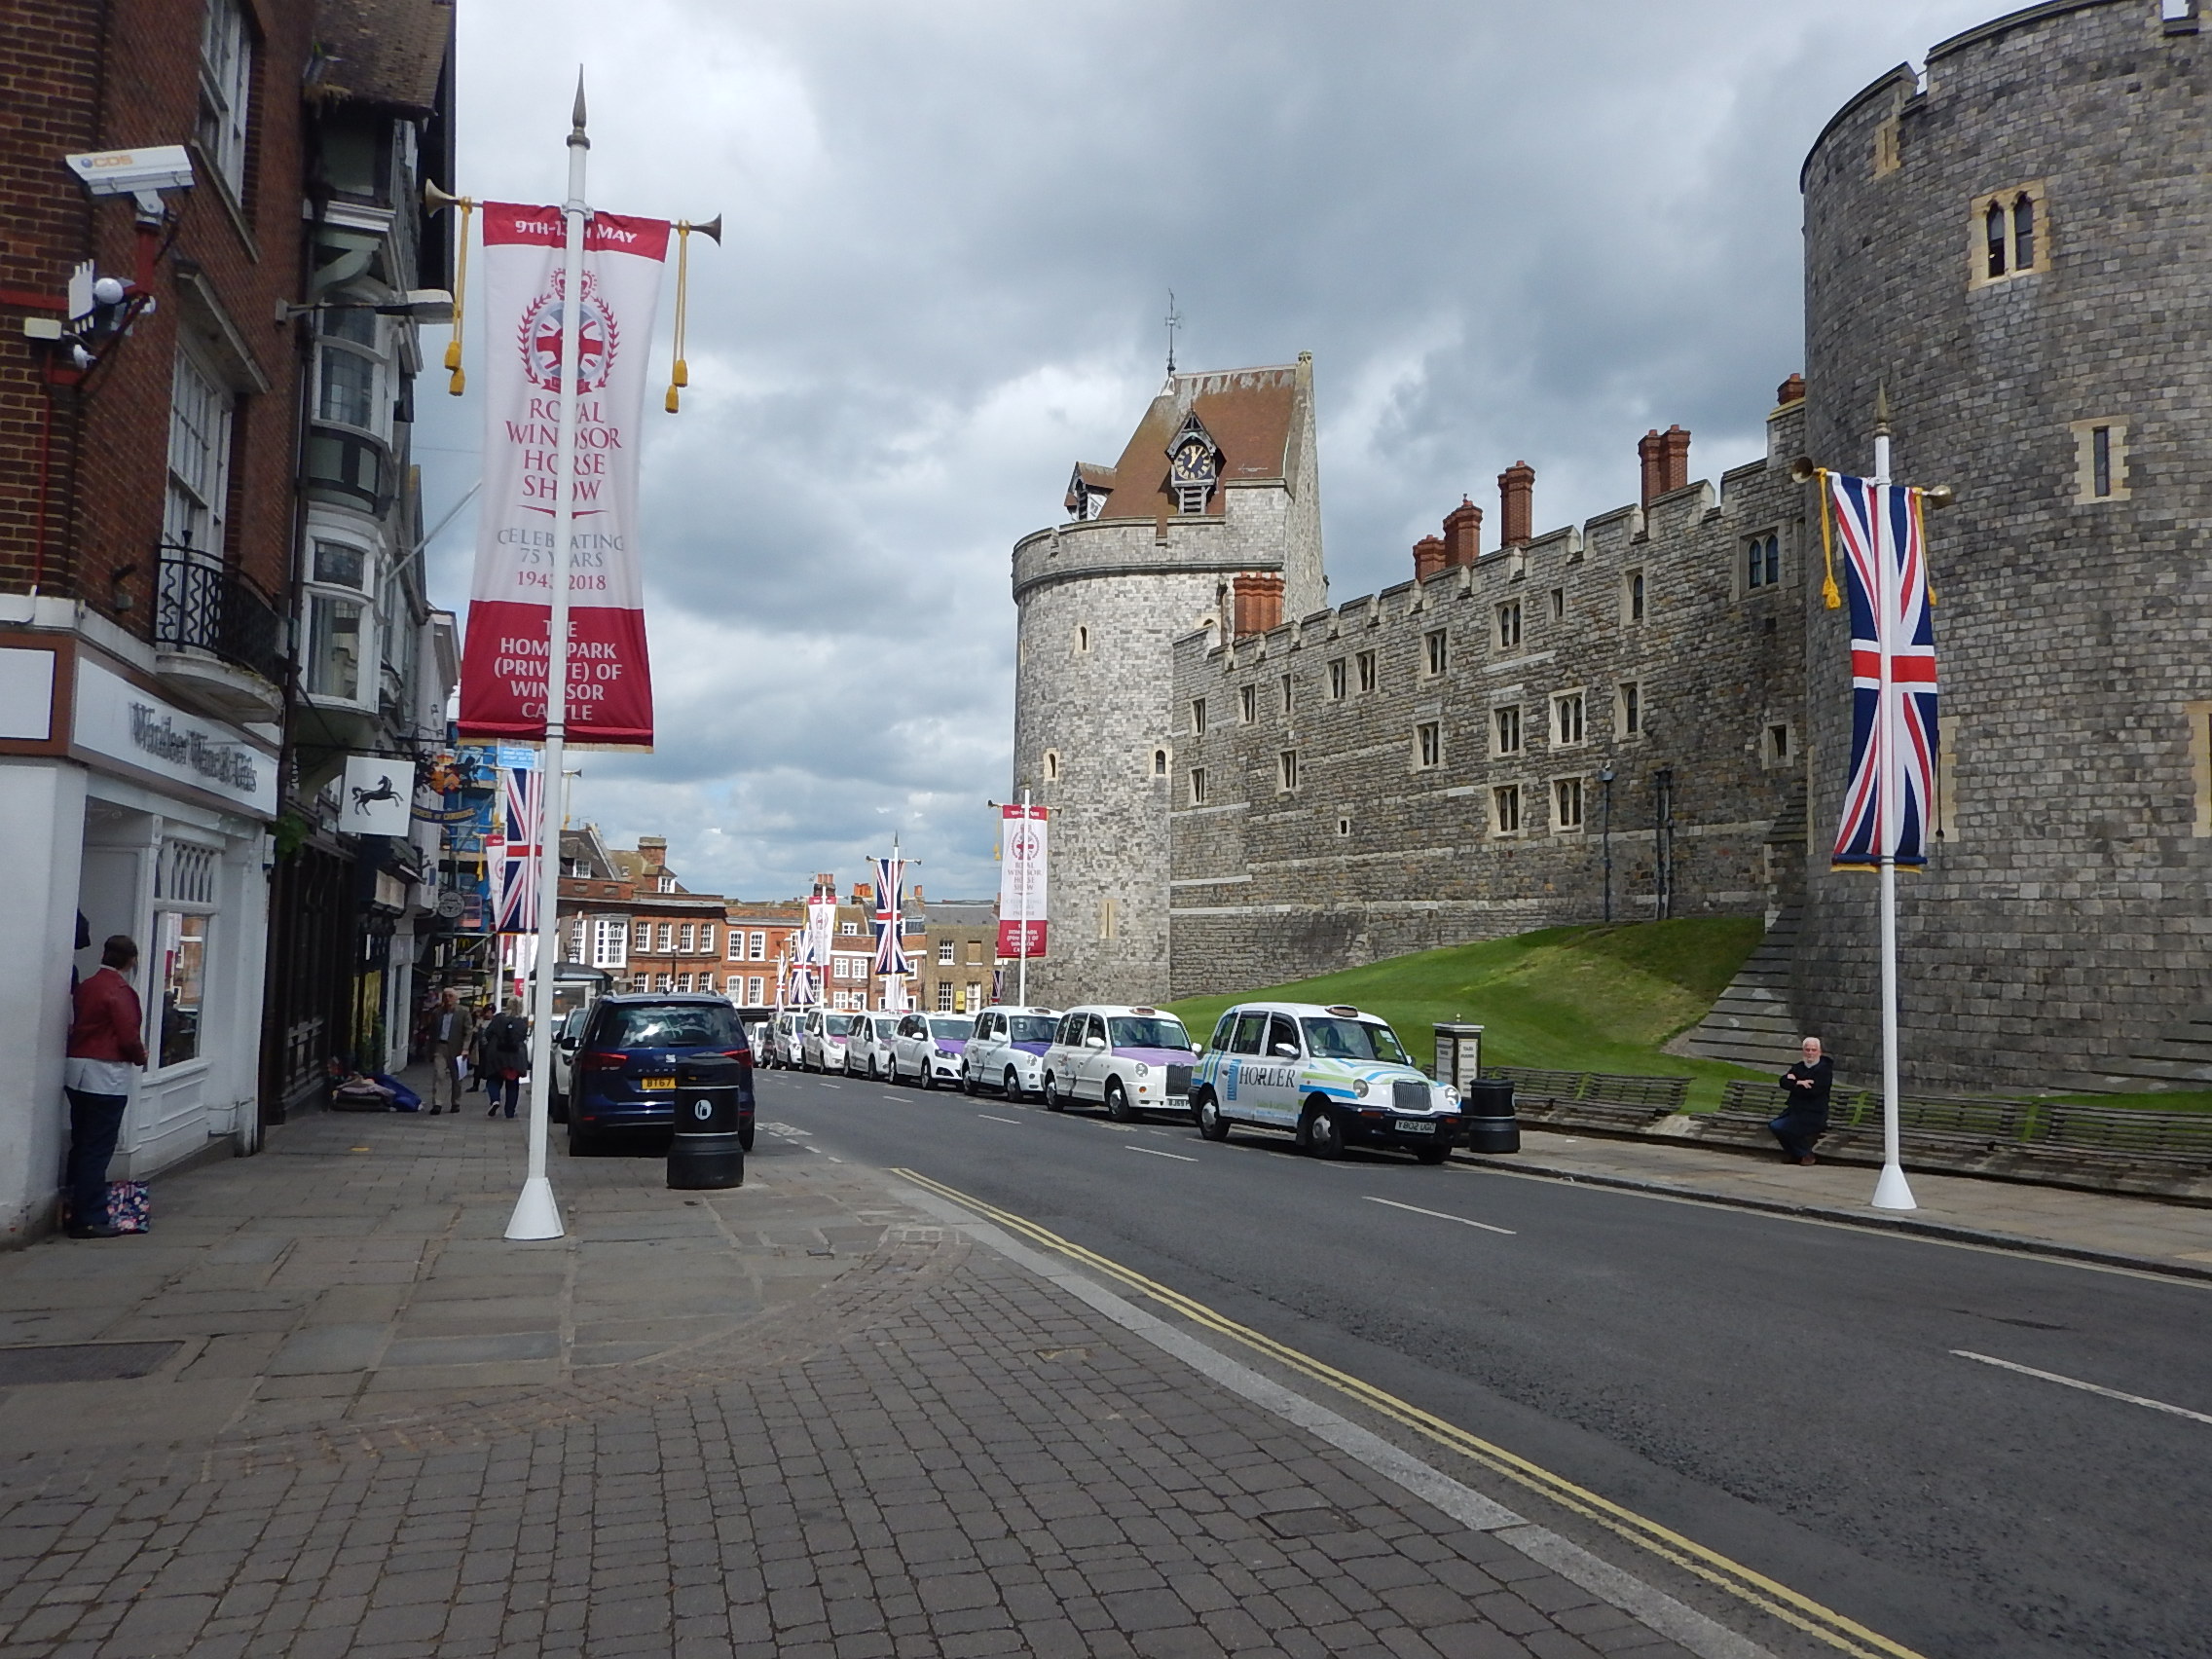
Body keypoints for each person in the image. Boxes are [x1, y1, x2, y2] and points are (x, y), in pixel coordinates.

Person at [62, 935, 147, 1238]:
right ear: (131, 961)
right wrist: (141, 1056)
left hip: (77, 1069)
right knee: (97, 1148)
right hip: (105, 1073)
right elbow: (127, 1035)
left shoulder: (87, 985)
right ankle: (89, 1216)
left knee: (81, 1141)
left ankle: (72, 1206)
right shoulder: (120, 991)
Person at [1771, 1036, 1834, 1165]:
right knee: (1775, 1125)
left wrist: (1794, 1083)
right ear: (1803, 1051)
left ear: (1819, 1052)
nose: (1810, 1053)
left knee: (1783, 1127)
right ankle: (1796, 1154)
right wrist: (1799, 1083)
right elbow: (1783, 1082)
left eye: (1813, 1050)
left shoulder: (1824, 1070)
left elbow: (1813, 1092)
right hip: (1795, 1111)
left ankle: (1805, 1154)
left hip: (1814, 1113)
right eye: (1807, 1050)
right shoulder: (1798, 1067)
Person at [480, 997, 532, 1120]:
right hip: (515, 1055)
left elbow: (487, 1033)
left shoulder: (498, 1018)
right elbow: (523, 1037)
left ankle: (495, 1100)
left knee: (493, 1079)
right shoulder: (522, 1022)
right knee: (512, 1084)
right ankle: (510, 1112)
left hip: (497, 1054)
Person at [426, 987, 476, 1115]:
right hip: (440, 1046)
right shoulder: (437, 1013)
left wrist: (465, 1048)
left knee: (457, 1077)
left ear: (455, 998)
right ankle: (437, 1103)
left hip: (457, 1048)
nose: (447, 999)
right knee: (439, 1074)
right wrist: (430, 1049)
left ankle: (456, 1102)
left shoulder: (463, 1012)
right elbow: (432, 1032)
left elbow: (468, 1032)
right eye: (445, 996)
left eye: (450, 996)